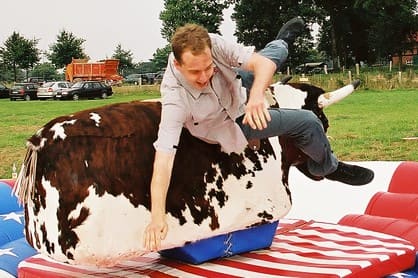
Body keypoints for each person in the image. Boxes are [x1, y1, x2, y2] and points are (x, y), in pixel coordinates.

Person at [143, 17, 374, 251]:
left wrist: (256, 97)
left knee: (271, 55)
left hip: (237, 87)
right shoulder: (174, 99)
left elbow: (260, 64)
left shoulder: (212, 43)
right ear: (178, 66)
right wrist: (157, 216)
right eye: (195, 72)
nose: (204, 77)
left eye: (208, 67)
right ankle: (327, 168)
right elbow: (163, 160)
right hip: (231, 122)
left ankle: (282, 41)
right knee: (309, 121)